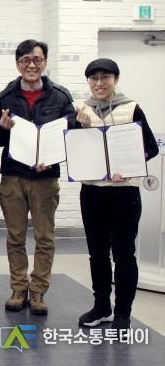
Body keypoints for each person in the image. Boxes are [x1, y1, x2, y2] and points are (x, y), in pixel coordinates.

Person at [0, 40, 75, 315]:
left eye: (37, 59)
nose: (31, 65)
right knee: (15, 236)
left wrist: (51, 157)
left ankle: (38, 290)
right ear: (18, 64)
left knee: (45, 237)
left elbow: (70, 136)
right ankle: (18, 288)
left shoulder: (60, 97)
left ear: (45, 62)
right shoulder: (5, 97)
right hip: (13, 176)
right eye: (25, 60)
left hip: (45, 178)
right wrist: (2, 128)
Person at [75, 58, 158, 330]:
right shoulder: (81, 110)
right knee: (97, 254)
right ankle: (101, 306)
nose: (99, 83)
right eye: (94, 78)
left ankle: (123, 313)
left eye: (105, 78)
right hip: (92, 192)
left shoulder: (131, 108)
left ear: (115, 80)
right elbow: (73, 149)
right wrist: (79, 127)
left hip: (124, 194)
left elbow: (151, 148)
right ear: (89, 81)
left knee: (124, 254)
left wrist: (129, 167)